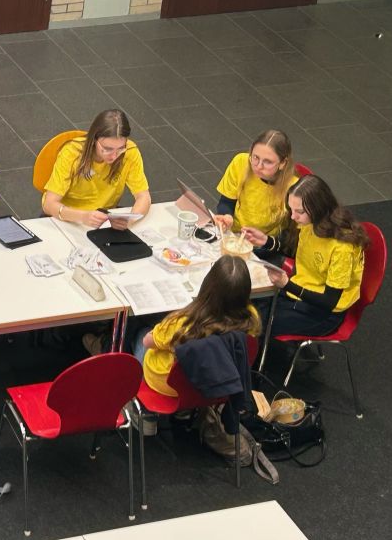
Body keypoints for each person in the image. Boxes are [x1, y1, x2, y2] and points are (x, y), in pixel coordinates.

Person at [242, 175, 366, 338]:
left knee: (252, 324)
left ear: (318, 208)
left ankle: (253, 352)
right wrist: (267, 241)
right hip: (298, 291)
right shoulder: (310, 222)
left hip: (323, 312)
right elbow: (301, 252)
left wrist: (287, 285)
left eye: (299, 211)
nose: (293, 217)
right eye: (291, 209)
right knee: (241, 305)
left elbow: (329, 302)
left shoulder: (342, 248)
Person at [138, 255, 262, 397]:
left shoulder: (183, 322)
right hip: (214, 384)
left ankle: (136, 388)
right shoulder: (251, 318)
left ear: (208, 285)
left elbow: (147, 342)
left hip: (169, 385)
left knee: (141, 331)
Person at [42, 109, 151, 229]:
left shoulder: (130, 152)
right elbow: (49, 205)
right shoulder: (71, 153)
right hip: (69, 218)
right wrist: (83, 217)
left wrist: (129, 220)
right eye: (107, 149)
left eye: (121, 148)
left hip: (103, 218)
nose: (114, 156)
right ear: (94, 140)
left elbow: (144, 197)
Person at [212, 129, 296, 236]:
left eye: (268, 162)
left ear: (283, 163)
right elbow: (226, 201)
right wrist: (227, 216)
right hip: (232, 233)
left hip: (265, 240)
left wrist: (265, 242)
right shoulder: (240, 162)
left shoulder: (293, 188)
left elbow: (291, 232)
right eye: (255, 157)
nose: (259, 166)